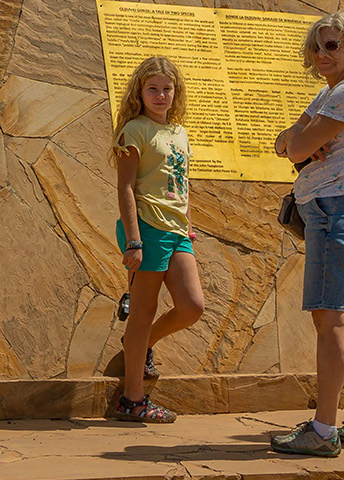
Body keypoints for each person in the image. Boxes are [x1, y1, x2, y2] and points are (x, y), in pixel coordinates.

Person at [267, 13, 344, 457]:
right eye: (318, 46)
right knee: (341, 318)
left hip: (338, 209)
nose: (323, 54)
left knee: (330, 320)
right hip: (333, 208)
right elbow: (283, 141)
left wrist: (299, 139)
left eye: (334, 45)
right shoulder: (331, 93)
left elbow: (295, 148)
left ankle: (323, 430)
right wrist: (296, 138)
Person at [105, 55, 206, 423]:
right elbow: (126, 187)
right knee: (143, 312)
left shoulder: (179, 132)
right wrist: (133, 240)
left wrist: (189, 225)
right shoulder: (134, 130)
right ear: (140, 92)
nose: (161, 95)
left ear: (175, 91)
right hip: (146, 229)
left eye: (167, 88)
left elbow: (180, 184)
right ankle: (132, 401)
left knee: (192, 306)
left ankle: (143, 345)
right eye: (153, 89)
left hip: (178, 232)